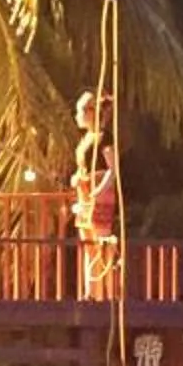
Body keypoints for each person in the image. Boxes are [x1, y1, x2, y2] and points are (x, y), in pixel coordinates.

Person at [72, 91, 121, 297]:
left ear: (91, 112)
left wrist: (99, 190)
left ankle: (107, 293)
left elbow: (112, 168)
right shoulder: (86, 138)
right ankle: (91, 292)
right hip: (85, 193)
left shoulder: (104, 137)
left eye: (80, 111)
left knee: (102, 245)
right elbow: (83, 166)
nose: (77, 116)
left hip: (100, 193)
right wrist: (77, 177)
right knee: (89, 245)